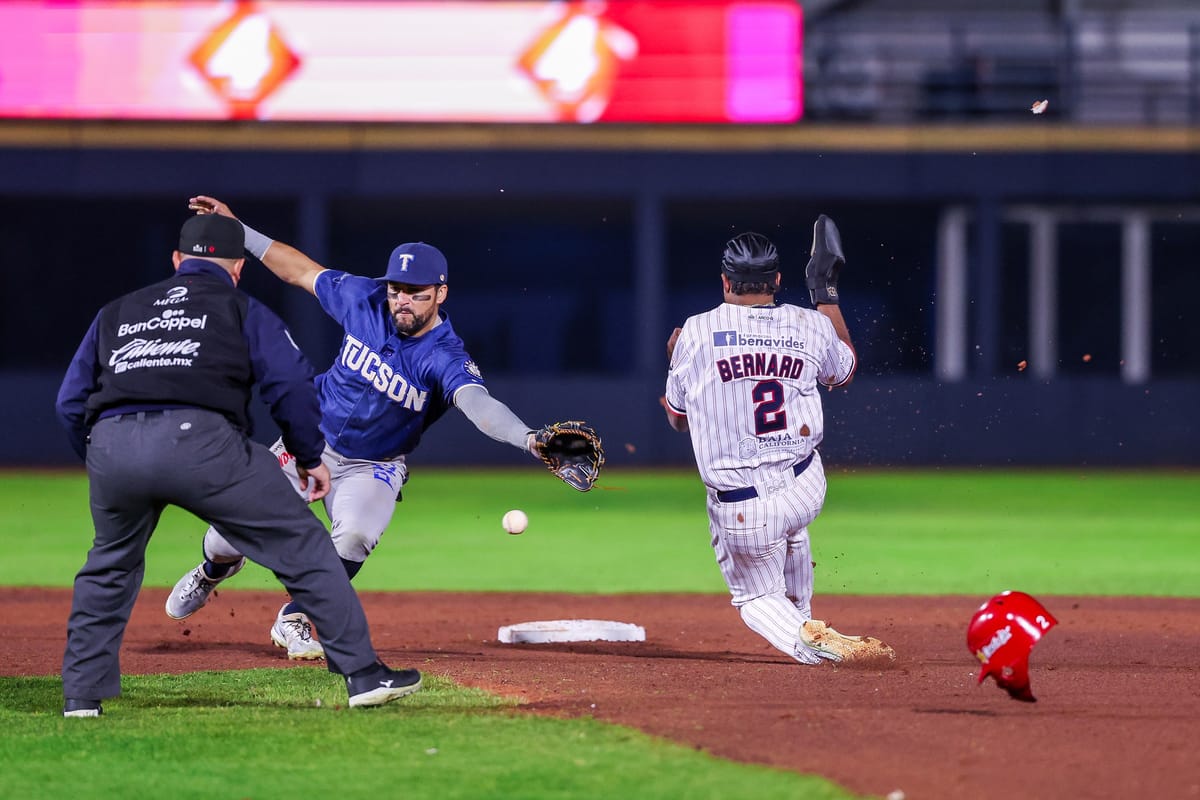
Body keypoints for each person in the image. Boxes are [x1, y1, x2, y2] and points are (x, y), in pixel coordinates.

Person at [165, 195, 569, 660]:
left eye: (417, 292)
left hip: (373, 465)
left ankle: (296, 616)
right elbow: (299, 270)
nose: (402, 300)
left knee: (354, 536)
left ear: (441, 294)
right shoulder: (365, 299)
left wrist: (529, 439)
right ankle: (213, 571)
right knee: (226, 535)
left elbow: (478, 404)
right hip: (309, 444)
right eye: (398, 288)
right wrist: (241, 233)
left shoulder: (445, 354)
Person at [55, 213, 423, 717]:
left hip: (115, 446)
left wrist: (99, 458)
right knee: (305, 545)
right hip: (202, 443)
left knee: (109, 566)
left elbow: (70, 403)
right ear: (236, 269)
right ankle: (362, 676)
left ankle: (81, 699)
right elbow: (290, 386)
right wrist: (310, 458)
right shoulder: (242, 309)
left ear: (178, 261)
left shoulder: (117, 311)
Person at [661, 221, 895, 665]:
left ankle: (812, 643)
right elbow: (843, 369)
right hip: (805, 488)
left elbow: (677, 419)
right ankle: (805, 617)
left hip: (743, 507)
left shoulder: (696, 331)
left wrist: (677, 361)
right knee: (791, 527)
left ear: (725, 281)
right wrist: (825, 295)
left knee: (754, 598)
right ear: (778, 281)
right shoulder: (809, 324)